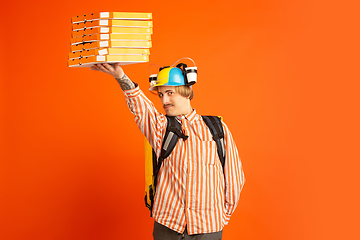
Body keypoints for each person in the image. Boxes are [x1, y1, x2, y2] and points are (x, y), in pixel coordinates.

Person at [90, 62, 245, 240]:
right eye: (161, 94)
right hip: (168, 227)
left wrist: (220, 217)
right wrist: (120, 76)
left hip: (208, 228)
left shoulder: (217, 129)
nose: (164, 101)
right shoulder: (160, 128)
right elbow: (141, 106)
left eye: (170, 93)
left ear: (186, 92)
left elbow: (234, 178)